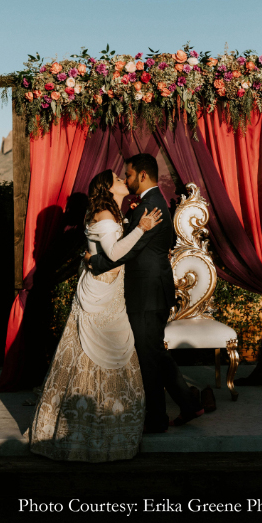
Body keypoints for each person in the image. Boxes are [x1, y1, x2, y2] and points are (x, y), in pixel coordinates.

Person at [26, 169, 162, 462]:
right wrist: (143, 228)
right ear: (107, 188)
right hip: (102, 294)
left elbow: (104, 243)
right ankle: (98, 432)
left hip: (105, 290)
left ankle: (99, 427)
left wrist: (130, 220)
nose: (125, 181)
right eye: (118, 180)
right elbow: (113, 253)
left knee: (108, 352)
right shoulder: (104, 215)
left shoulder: (106, 213)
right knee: (101, 354)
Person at [86, 154, 204, 433]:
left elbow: (128, 250)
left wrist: (93, 263)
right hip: (151, 290)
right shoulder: (151, 204)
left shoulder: (148, 208)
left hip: (147, 293)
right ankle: (187, 404)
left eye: (127, 175)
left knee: (149, 356)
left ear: (141, 175)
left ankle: (157, 419)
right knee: (153, 353)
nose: (125, 180)